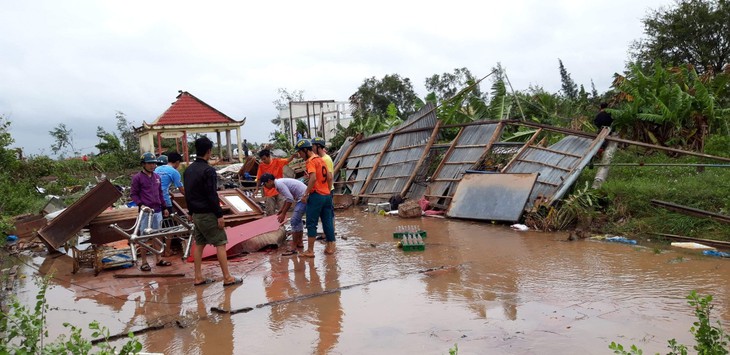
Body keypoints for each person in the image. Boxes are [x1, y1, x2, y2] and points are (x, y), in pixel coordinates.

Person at [183, 137, 242, 287]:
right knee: (221, 243)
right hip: (208, 214)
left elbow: (187, 193)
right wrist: (219, 215)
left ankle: (198, 277)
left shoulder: (188, 170)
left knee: (200, 244)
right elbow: (211, 194)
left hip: (196, 214)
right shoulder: (208, 170)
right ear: (209, 151)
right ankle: (227, 277)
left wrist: (190, 212)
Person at [130, 152, 172, 271]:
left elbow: (160, 193)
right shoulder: (137, 178)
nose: (152, 166)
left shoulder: (157, 177)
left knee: (157, 236)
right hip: (146, 212)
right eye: (149, 163)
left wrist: (164, 208)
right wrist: (141, 205)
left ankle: (158, 259)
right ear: (143, 164)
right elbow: (133, 194)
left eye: (154, 163)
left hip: (158, 210)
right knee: (143, 237)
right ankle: (144, 262)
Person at [295, 139, 335, 257]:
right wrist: (327, 190)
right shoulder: (321, 159)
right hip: (326, 195)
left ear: (305, 150)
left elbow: (312, 179)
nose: (300, 155)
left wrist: (306, 194)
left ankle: (310, 251)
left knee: (311, 223)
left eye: (300, 153)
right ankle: (330, 248)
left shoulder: (311, 161)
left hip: (316, 195)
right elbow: (329, 177)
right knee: (327, 221)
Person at [259, 173, 307, 256]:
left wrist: (283, 213)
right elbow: (287, 198)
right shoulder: (278, 184)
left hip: (304, 197)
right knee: (297, 220)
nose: (265, 186)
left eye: (265, 184)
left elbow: (290, 199)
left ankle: (293, 248)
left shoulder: (279, 185)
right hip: (303, 197)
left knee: (294, 220)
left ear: (270, 181)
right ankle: (300, 243)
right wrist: (281, 210)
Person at [256, 149, 294, 215]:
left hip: (279, 189)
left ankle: (282, 224)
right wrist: (257, 189)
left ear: (268, 156)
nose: (263, 161)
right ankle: (272, 224)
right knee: (270, 211)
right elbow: (259, 178)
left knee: (282, 208)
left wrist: (293, 156)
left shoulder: (277, 161)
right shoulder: (261, 166)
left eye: (264, 159)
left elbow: (287, 160)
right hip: (268, 191)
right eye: (262, 159)